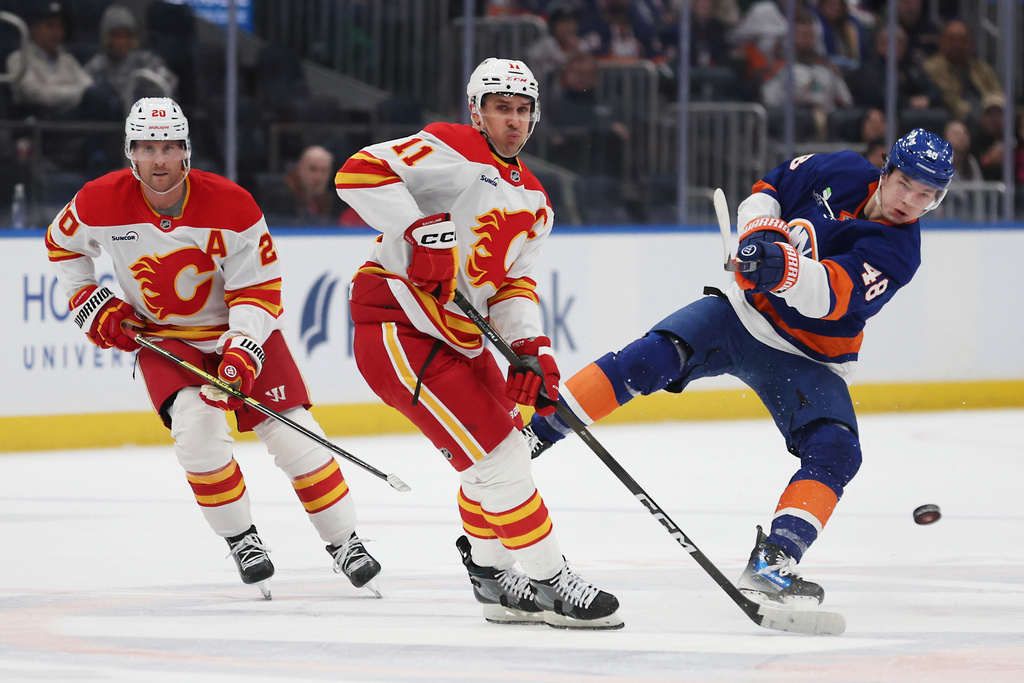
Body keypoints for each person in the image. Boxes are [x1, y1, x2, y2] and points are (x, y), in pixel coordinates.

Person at [523, 128, 954, 607]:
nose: (910, 202)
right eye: (906, 184)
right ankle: (533, 435)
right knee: (647, 359)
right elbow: (769, 190)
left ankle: (776, 560)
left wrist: (784, 268)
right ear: (885, 170)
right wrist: (757, 232)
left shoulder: (899, 252)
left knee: (837, 450)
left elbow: (829, 297)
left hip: (808, 359)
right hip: (738, 315)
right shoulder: (842, 169)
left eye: (927, 196)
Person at [43, 97, 381, 600]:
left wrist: (242, 349)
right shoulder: (97, 200)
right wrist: (89, 298)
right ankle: (242, 539)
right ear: (129, 154)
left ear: (187, 152)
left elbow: (259, 288)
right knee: (197, 433)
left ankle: (345, 542)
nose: (159, 159)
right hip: (163, 339)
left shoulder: (232, 204)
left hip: (240, 331)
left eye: (170, 147)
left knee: (297, 437)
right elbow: (62, 245)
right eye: (147, 147)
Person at [334, 58, 622, 629]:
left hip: (460, 338)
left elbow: (511, 285)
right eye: (500, 108)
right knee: (500, 458)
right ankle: (551, 581)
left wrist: (530, 348)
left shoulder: (537, 202)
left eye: (522, 110)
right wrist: (419, 230)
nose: (512, 121)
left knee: (503, 449)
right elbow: (358, 173)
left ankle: (492, 579)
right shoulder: (452, 146)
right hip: (399, 326)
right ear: (477, 111)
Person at [6, 2, 119, 121]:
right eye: (50, 25)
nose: (56, 32)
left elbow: (89, 86)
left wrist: (78, 93)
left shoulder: (68, 59)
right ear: (34, 29)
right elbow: (38, 95)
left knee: (102, 98)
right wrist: (79, 93)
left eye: (60, 26)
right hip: (39, 124)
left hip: (70, 121)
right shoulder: (18, 59)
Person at [84, 4, 179, 112]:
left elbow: (169, 83)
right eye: (116, 36)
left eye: (126, 36)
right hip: (111, 124)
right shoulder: (98, 64)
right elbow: (84, 88)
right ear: (107, 38)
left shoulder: (146, 60)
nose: (121, 42)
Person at [922, 20, 1003, 125]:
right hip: (957, 120)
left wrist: (994, 111)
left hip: (989, 116)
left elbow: (997, 93)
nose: (957, 45)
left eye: (963, 40)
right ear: (941, 41)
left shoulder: (982, 68)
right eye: (951, 39)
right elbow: (949, 99)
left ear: (971, 44)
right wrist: (981, 117)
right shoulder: (931, 67)